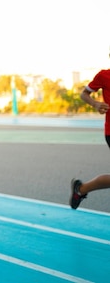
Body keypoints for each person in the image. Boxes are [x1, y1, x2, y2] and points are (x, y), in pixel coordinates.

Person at [69, 62, 110, 210]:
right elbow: (84, 93)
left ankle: (81, 189)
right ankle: (81, 189)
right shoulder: (104, 75)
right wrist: (95, 104)